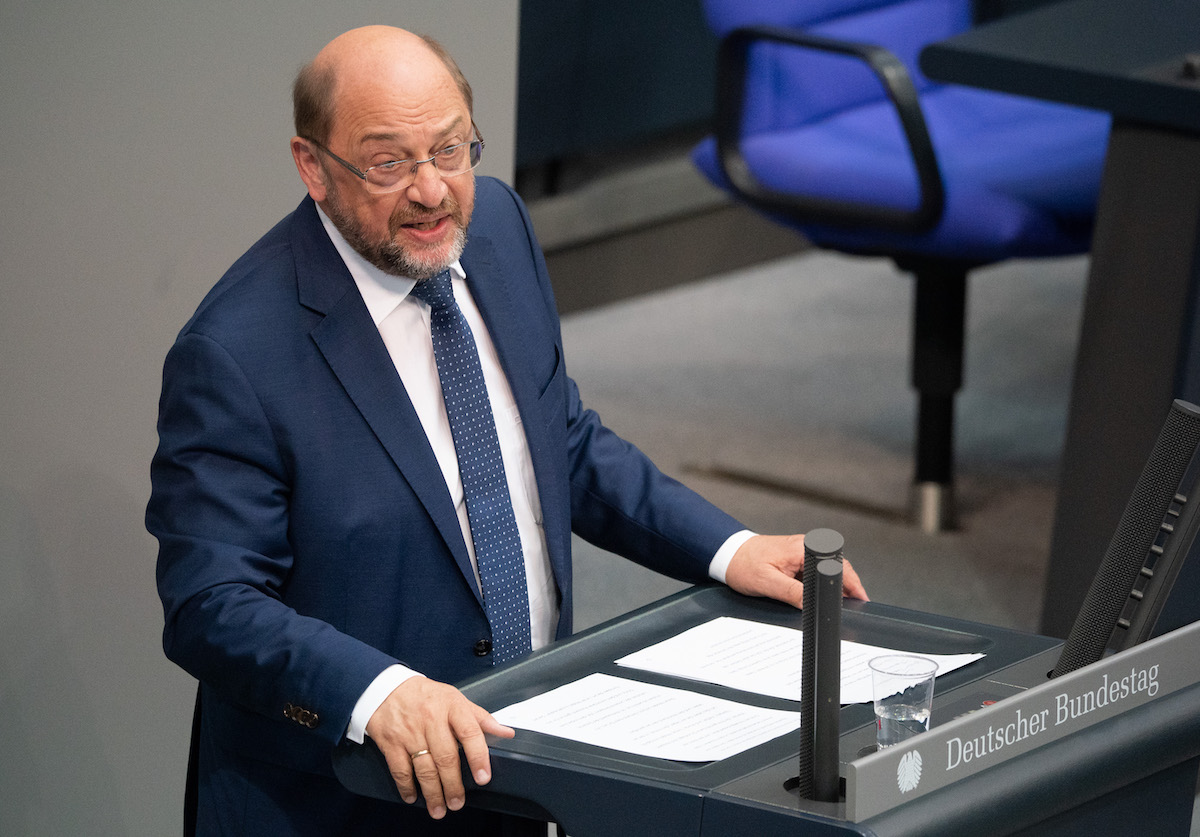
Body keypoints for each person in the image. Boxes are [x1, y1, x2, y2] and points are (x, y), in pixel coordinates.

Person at [147, 25, 867, 837]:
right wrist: (380, 691)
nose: (431, 191)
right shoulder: (235, 353)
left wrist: (729, 548)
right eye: (388, 163)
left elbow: (555, 441)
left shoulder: (498, 228)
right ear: (313, 165)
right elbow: (212, 603)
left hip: (527, 757)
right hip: (342, 799)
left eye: (452, 150)